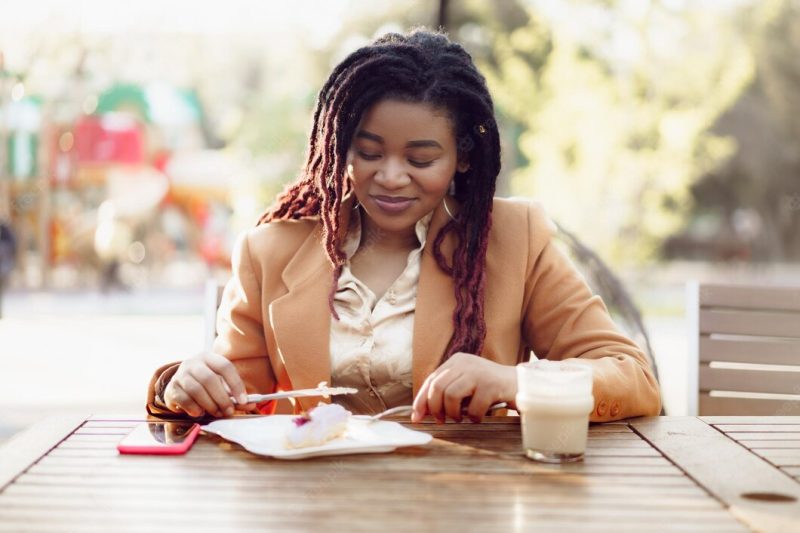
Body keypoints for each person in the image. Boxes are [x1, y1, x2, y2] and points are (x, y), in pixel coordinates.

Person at [147, 28, 661, 424]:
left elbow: (632, 376)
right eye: (368, 153)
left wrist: (513, 382)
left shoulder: (513, 238)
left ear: (461, 157)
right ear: (340, 146)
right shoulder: (270, 250)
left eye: (421, 158)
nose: (391, 177)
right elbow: (240, 399)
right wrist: (185, 385)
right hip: (308, 507)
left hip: (460, 506)